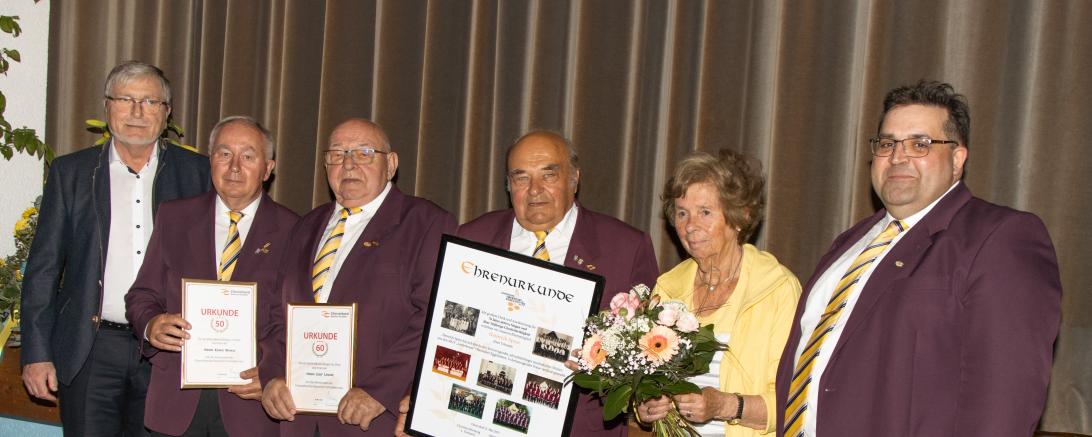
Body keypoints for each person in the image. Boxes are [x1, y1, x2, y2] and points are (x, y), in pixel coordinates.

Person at [775, 80, 1062, 437]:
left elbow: (1004, 400)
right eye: (887, 143)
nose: (898, 156)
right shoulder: (849, 243)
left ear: (957, 159)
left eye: (920, 144)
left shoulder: (999, 238)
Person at [399, 130, 660, 436]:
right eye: (521, 177)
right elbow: (440, 332)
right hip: (473, 421)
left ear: (574, 179)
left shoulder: (626, 247)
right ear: (508, 186)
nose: (535, 189)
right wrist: (422, 402)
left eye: (549, 174)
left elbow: (646, 358)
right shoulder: (471, 238)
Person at [20, 61, 211, 436]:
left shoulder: (197, 174)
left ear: (167, 112)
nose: (138, 112)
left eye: (150, 102)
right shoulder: (70, 173)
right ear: (107, 106)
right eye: (126, 100)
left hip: (168, 350)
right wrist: (36, 353)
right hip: (91, 349)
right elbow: (43, 269)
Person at [259, 118, 457, 436]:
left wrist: (380, 390)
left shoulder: (425, 223)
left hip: (375, 420)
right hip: (300, 418)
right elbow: (275, 313)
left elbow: (434, 320)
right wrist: (270, 376)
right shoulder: (305, 226)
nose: (348, 164)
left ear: (390, 165)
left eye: (364, 153)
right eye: (337, 154)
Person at [125, 116, 298, 437]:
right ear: (210, 161)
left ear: (267, 168)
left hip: (250, 404)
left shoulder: (294, 230)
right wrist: (151, 324)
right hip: (175, 402)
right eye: (223, 154)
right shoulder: (174, 217)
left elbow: (292, 319)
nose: (234, 166)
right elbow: (141, 295)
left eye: (248, 156)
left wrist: (274, 371)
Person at [635, 150, 801, 437]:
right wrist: (645, 407)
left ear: (738, 217)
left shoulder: (777, 289)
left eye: (705, 212)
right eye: (682, 213)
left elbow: (795, 403)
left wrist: (724, 405)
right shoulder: (667, 288)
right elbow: (645, 385)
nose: (690, 226)